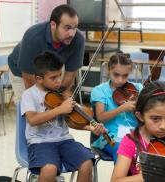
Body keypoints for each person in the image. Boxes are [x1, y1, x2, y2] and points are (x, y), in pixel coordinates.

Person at [20, 51, 105, 182]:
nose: (59, 81)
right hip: (40, 142)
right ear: (39, 78)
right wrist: (60, 109)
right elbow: (32, 120)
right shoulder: (29, 95)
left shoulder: (61, 95)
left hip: (65, 140)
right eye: (53, 78)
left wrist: (90, 128)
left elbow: (71, 121)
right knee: (49, 169)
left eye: (60, 75)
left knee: (87, 163)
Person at [8, 4, 85, 104]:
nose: (72, 34)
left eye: (74, 28)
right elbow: (28, 77)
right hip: (23, 72)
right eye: (67, 28)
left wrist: (58, 97)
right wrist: (40, 101)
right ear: (53, 25)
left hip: (51, 70)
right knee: (29, 106)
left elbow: (69, 75)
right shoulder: (33, 36)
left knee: (54, 104)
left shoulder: (78, 39)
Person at [111, 82, 165, 182]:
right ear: (140, 116)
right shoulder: (131, 141)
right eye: (155, 118)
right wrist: (151, 174)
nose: (164, 126)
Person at [90, 53, 143, 162]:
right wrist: (122, 108)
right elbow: (100, 117)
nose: (120, 80)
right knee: (125, 151)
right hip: (108, 136)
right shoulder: (99, 90)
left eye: (125, 76)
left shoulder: (137, 88)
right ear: (109, 70)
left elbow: (147, 114)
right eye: (116, 75)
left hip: (136, 134)